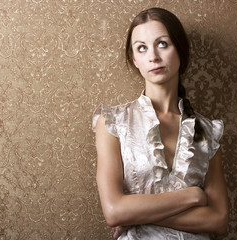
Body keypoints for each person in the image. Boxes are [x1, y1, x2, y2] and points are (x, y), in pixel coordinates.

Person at [92, 7, 228, 239]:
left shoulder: (207, 131)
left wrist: (134, 213)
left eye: (162, 44)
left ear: (180, 51)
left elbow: (218, 221)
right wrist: (193, 196)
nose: (153, 56)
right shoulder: (113, 122)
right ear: (134, 59)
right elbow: (114, 212)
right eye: (142, 48)